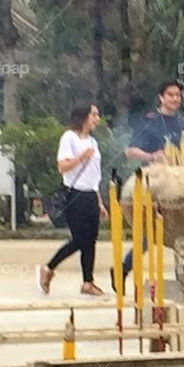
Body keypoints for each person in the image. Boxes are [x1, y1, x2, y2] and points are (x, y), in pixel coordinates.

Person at [113, 80, 184, 292]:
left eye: (177, 95)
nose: (175, 99)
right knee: (150, 234)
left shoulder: (183, 125)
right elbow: (130, 151)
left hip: (178, 184)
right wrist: (151, 157)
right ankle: (123, 268)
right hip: (153, 186)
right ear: (161, 97)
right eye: (171, 95)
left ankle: (181, 282)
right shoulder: (150, 121)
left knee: (180, 235)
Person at [39, 105, 108, 296]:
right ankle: (49, 267)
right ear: (84, 117)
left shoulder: (93, 142)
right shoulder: (69, 137)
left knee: (91, 240)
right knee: (79, 239)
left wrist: (100, 202)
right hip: (75, 194)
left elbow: (95, 176)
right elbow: (62, 166)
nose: (97, 119)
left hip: (90, 195)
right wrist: (81, 157)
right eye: (94, 114)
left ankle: (88, 282)